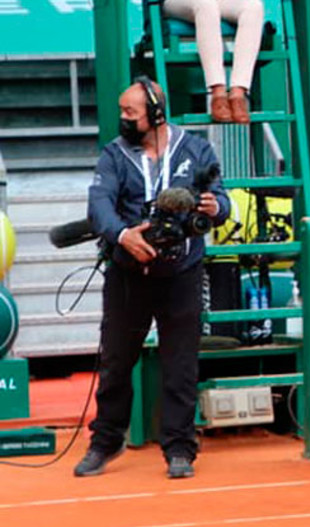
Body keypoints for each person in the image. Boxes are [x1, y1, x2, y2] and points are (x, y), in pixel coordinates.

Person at [77, 78, 231, 479]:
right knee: (115, 362)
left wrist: (216, 207)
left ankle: (179, 448)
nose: (123, 118)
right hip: (128, 274)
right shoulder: (113, 154)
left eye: (131, 112)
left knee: (180, 365)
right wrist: (123, 235)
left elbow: (222, 201)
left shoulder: (196, 149)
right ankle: (105, 441)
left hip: (182, 272)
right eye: (122, 111)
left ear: (156, 114)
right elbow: (99, 204)